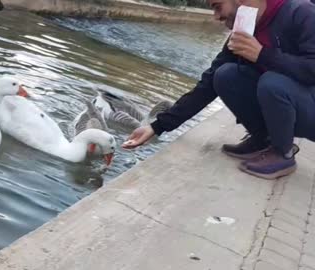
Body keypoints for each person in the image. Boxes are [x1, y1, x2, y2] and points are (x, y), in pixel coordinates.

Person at [122, 0, 315, 180]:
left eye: (217, 6)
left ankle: (283, 152)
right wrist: (158, 126)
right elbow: (207, 85)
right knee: (224, 75)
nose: (215, 17)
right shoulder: (245, 30)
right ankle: (262, 139)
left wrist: (264, 55)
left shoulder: (301, 12)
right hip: (284, 105)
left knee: (272, 82)